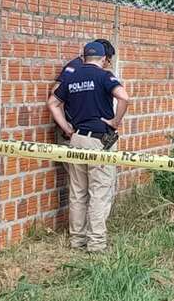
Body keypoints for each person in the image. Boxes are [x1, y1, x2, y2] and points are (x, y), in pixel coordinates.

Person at [47, 41, 129, 253]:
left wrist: (66, 128)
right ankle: (96, 244)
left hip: (77, 140)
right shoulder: (104, 76)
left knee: (78, 193)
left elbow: (53, 103)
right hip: (99, 141)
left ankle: (77, 241)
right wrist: (115, 122)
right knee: (99, 193)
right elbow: (124, 97)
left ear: (84, 58)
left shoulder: (71, 77)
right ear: (103, 59)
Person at [51, 38, 116, 95]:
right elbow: (55, 91)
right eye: (109, 61)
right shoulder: (74, 66)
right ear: (102, 57)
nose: (108, 65)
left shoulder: (94, 70)